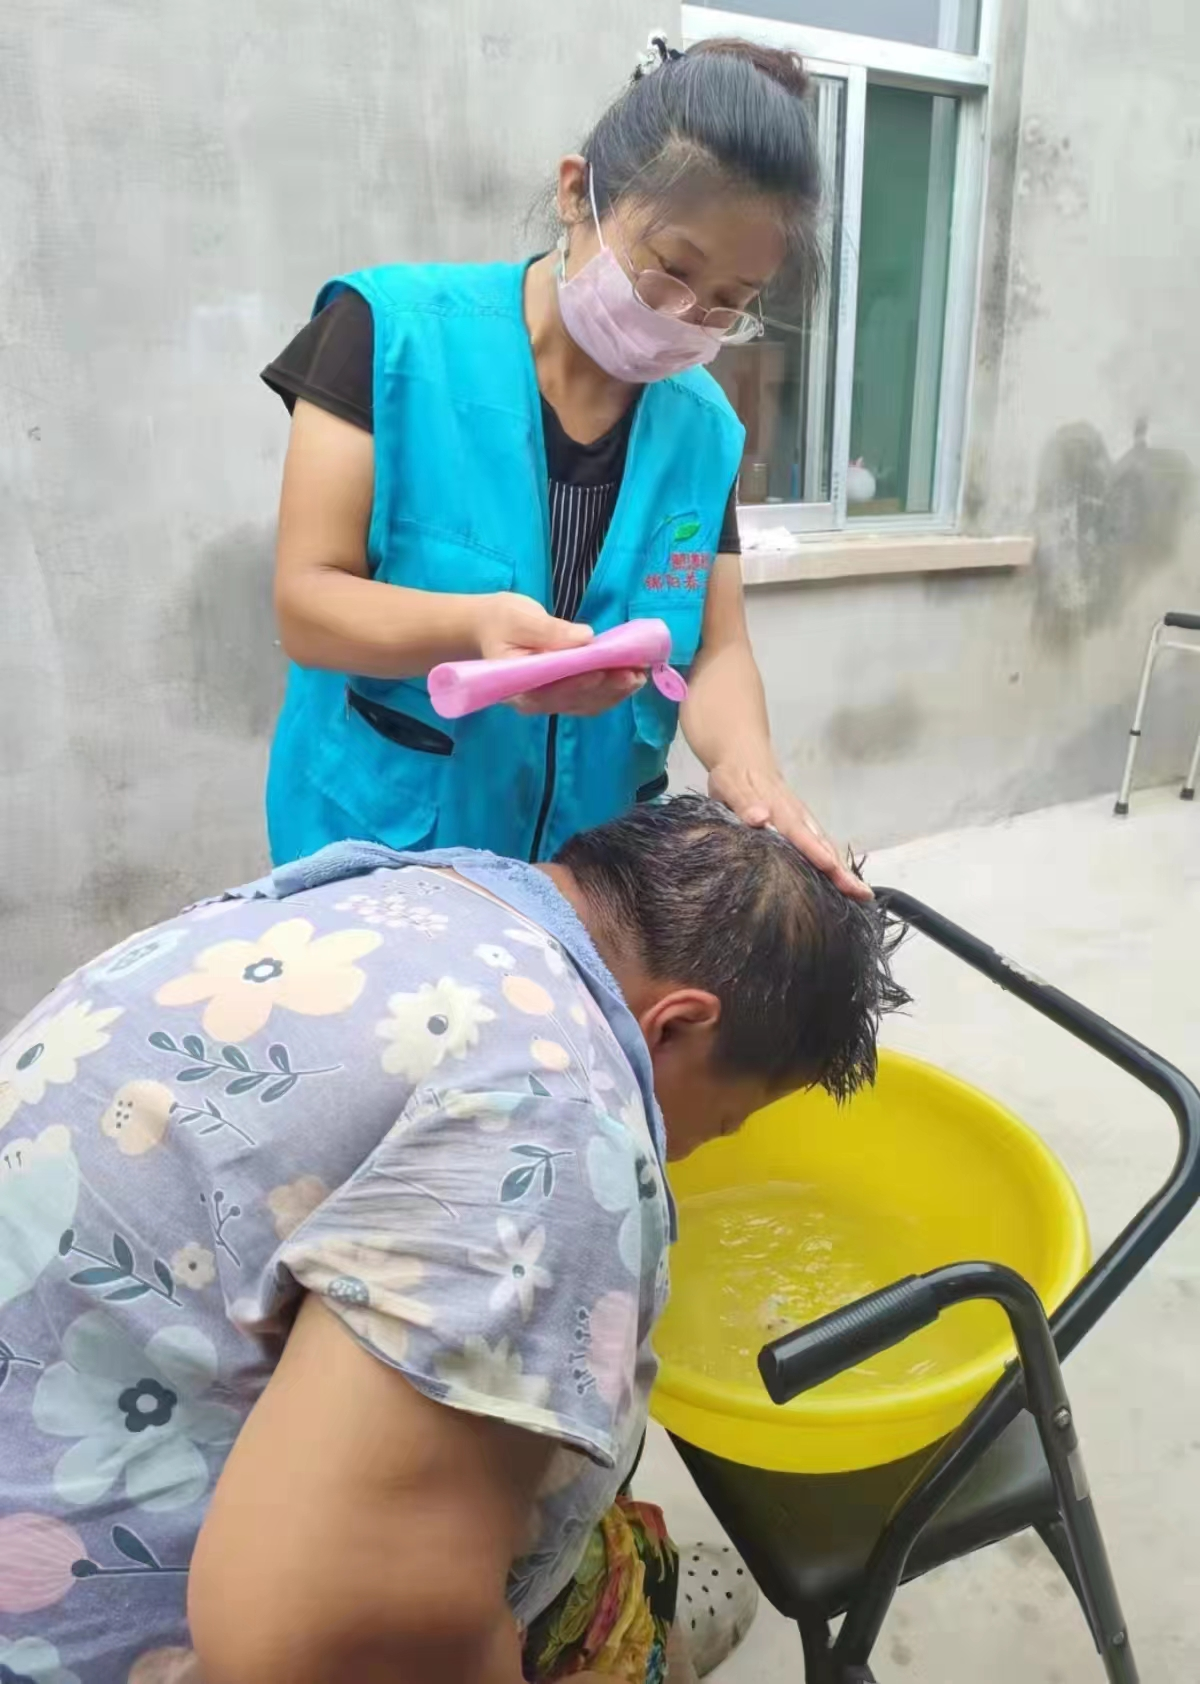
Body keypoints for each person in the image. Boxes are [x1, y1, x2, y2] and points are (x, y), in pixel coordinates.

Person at [0, 798, 904, 1684]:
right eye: (722, 1122)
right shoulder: (559, 1121)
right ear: (678, 1025)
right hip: (69, 1611)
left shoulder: (422, 891)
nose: (689, 1150)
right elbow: (322, 1643)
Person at [261, 34, 868, 902]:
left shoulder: (705, 431)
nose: (686, 318)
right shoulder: (390, 336)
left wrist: (748, 765)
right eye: (668, 274)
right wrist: (476, 626)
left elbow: (718, 647)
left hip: (583, 874)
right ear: (578, 192)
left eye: (727, 305)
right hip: (381, 859)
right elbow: (308, 603)